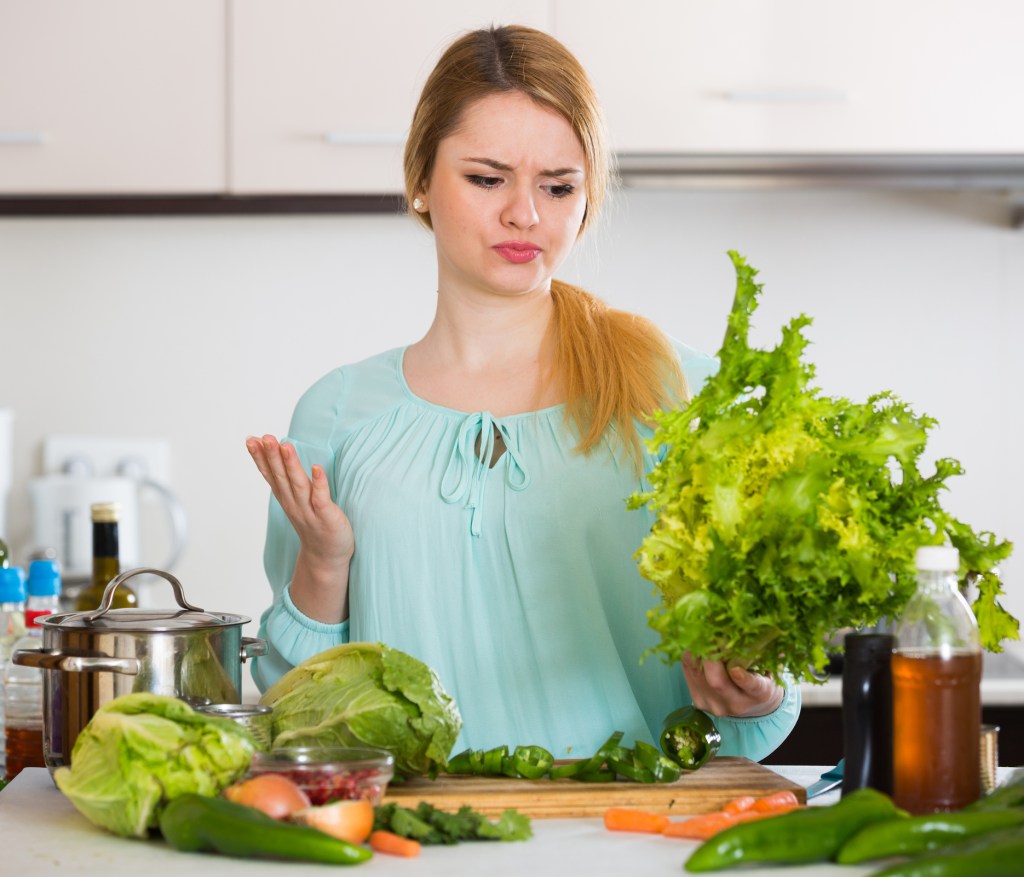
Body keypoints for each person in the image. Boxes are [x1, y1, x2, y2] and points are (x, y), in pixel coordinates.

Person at [247, 24, 799, 761]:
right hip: (416, 842)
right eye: (487, 178)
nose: (525, 214)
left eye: (558, 186)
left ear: (587, 197)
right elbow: (299, 708)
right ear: (420, 180)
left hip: (630, 835)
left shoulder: (677, 392)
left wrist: (758, 686)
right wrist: (322, 566)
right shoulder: (338, 415)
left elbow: (755, 706)